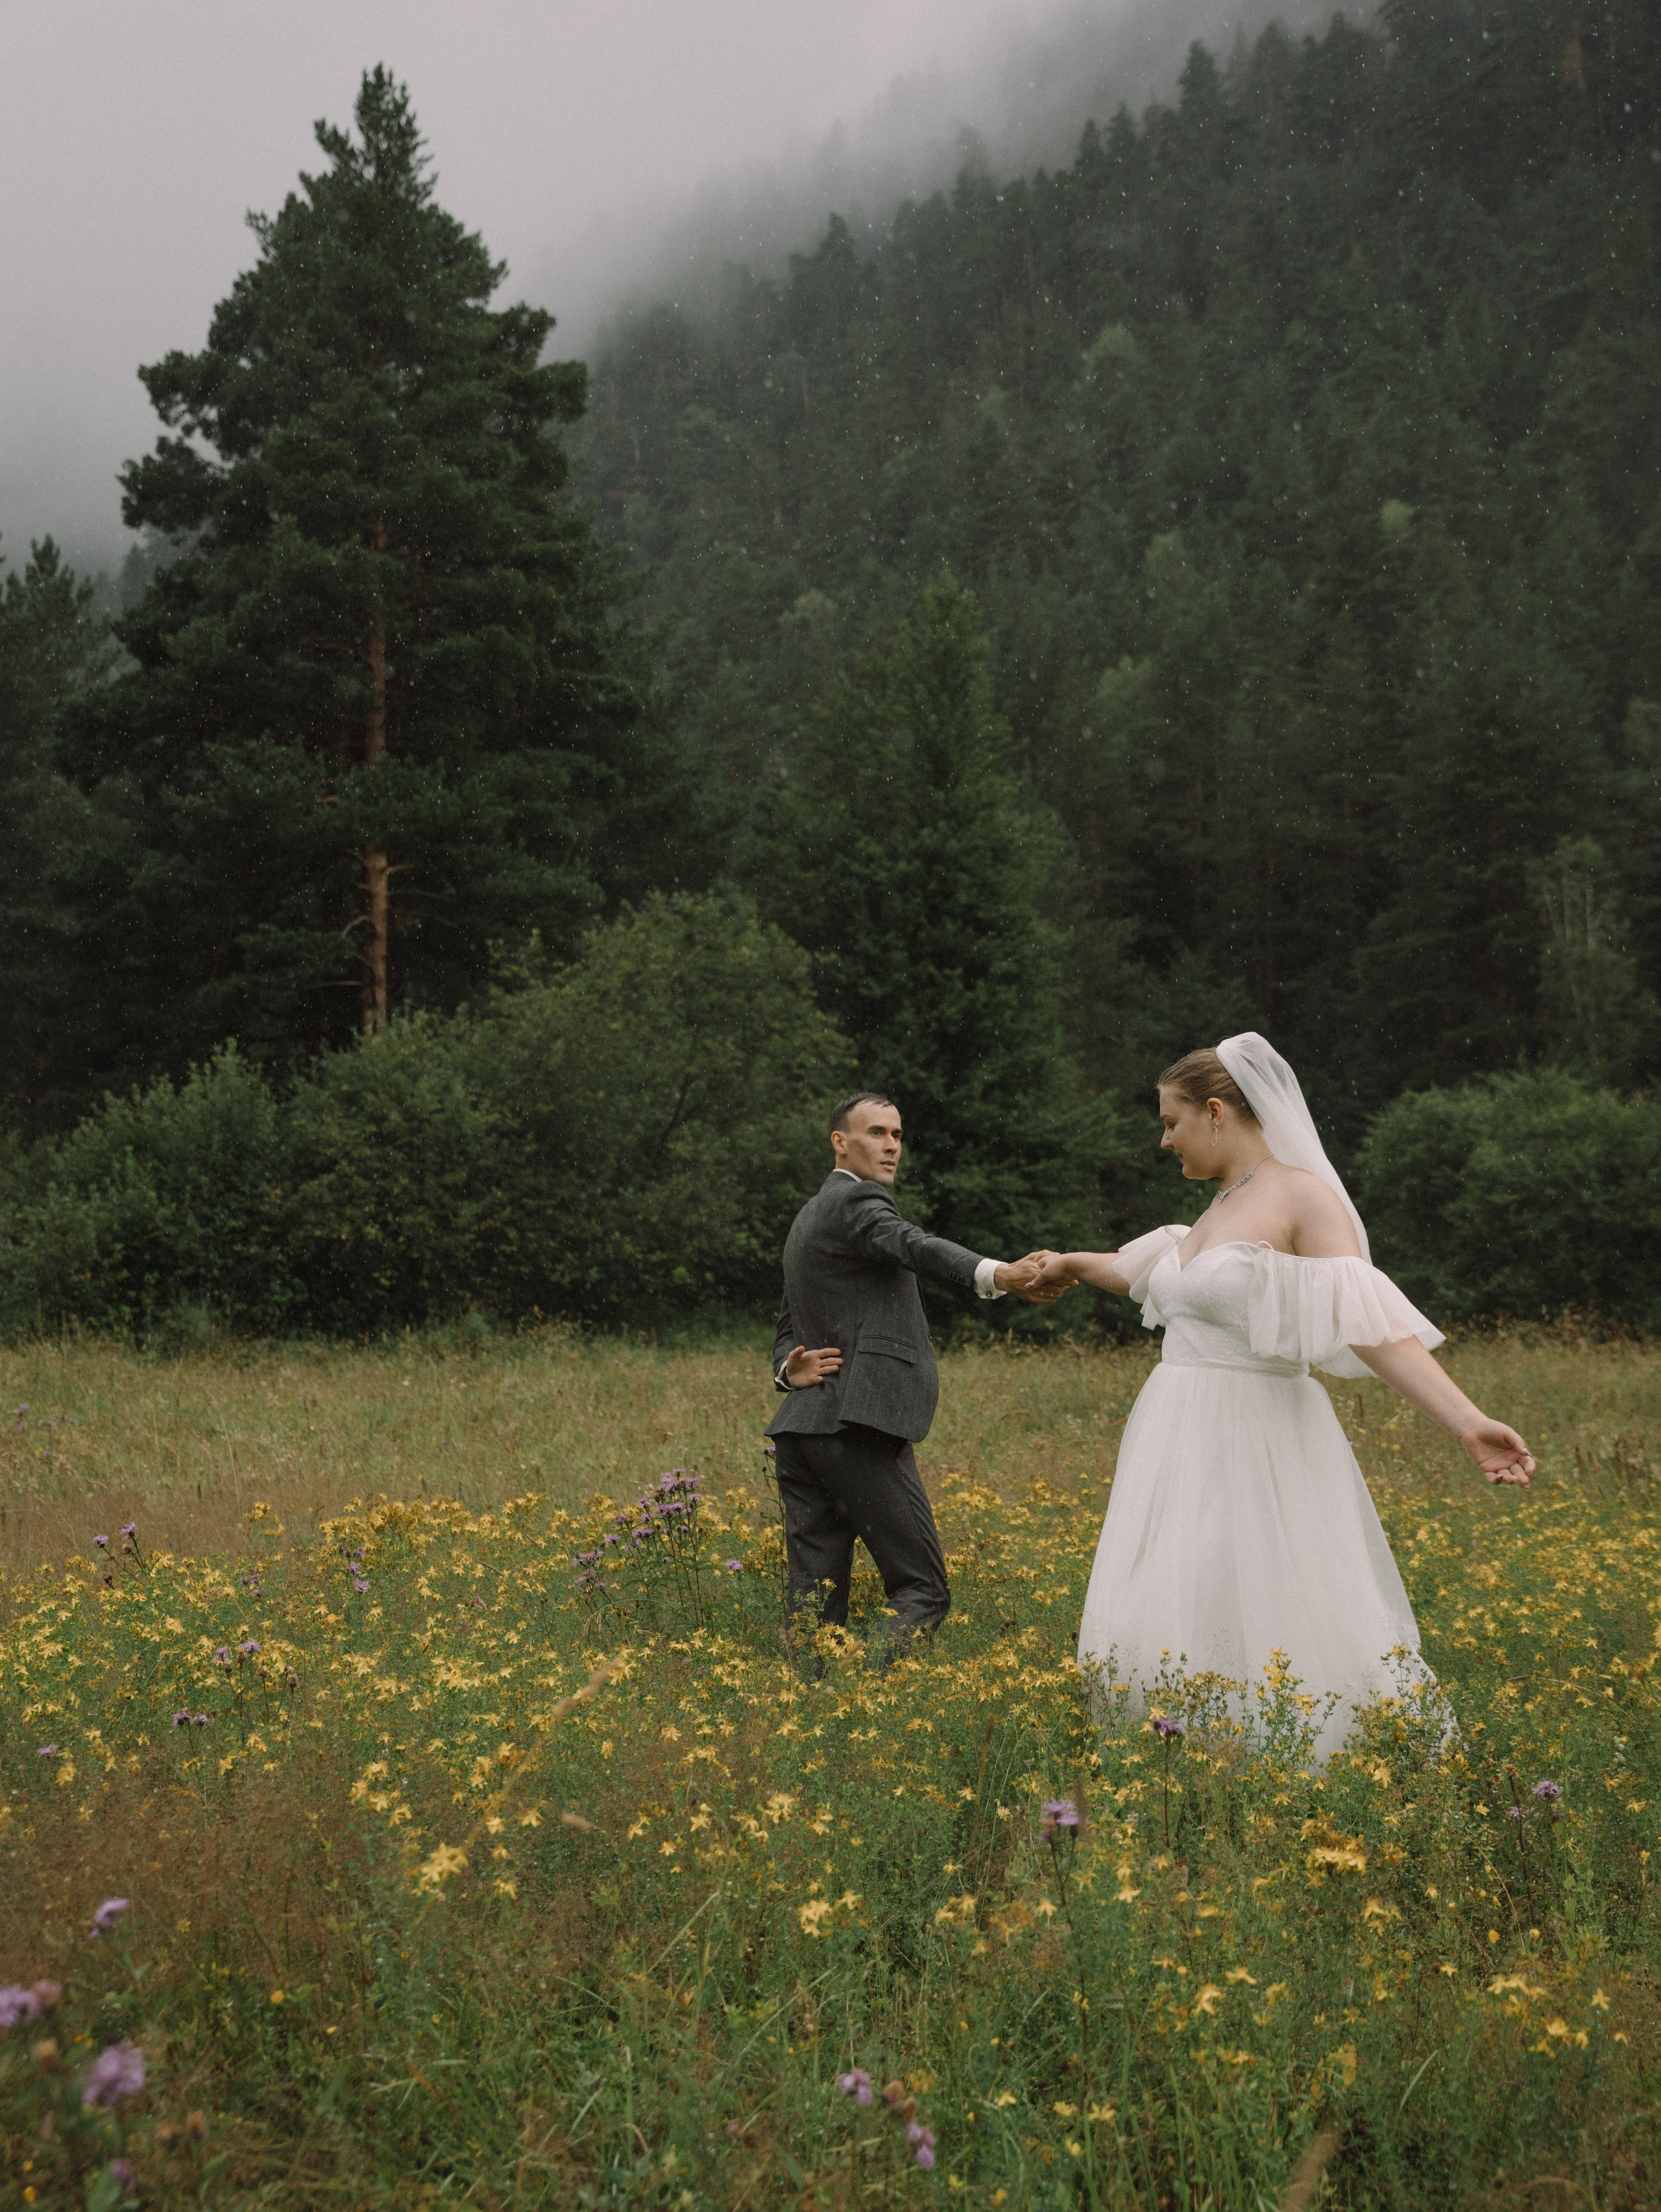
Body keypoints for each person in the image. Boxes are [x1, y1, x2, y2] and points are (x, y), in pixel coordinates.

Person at [1034, 1033, 1534, 1758]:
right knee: (1181, 1591)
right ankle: (1192, 1757)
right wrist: (1071, 1262)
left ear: (1215, 1112)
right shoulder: (1214, 1208)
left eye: (1171, 1121)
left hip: (1259, 1435)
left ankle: (1308, 1760)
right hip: (1176, 1438)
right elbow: (1143, 1270)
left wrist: (1467, 1421)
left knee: (1270, 1593)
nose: (1162, 1138)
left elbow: (1369, 1326)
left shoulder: (1301, 1196)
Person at [768, 1090, 1054, 1663]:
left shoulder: (808, 1217)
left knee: (814, 1603)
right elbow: (911, 1243)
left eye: (897, 1135)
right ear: (839, 1142)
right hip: (857, 1426)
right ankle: (865, 1700)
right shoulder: (858, 1203)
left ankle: (807, 1717)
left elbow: (786, 1325)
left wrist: (786, 1369)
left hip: (803, 1435)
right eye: (876, 1133)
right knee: (922, 1590)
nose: (892, 1146)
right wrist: (999, 1273)